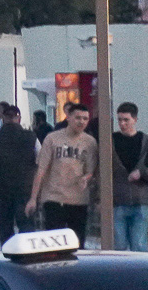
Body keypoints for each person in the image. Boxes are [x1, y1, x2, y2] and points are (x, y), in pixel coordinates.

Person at [30, 102, 98, 244]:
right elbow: (41, 169)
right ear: (68, 118)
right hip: (54, 198)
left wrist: (87, 177)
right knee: (54, 244)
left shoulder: (90, 142)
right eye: (78, 118)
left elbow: (91, 170)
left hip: (79, 200)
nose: (81, 122)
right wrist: (33, 198)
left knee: (77, 244)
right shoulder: (52, 138)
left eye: (85, 119)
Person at [0, 103, 38, 243]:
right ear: (18, 119)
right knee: (26, 224)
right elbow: (41, 159)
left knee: (5, 225)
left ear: (3, 119)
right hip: (26, 187)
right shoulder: (31, 137)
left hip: (3, 188)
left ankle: (8, 253)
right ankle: (27, 252)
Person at [111, 102, 148, 252]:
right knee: (120, 246)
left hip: (140, 199)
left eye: (126, 120)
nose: (122, 124)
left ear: (135, 119)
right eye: (119, 120)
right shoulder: (111, 141)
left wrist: (142, 173)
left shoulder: (147, 142)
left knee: (139, 245)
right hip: (118, 199)